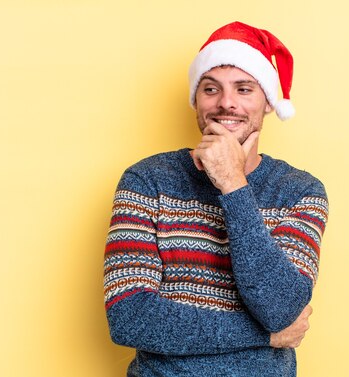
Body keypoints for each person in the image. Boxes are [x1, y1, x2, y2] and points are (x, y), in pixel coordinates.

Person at [103, 21, 329, 376]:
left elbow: (281, 308)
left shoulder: (299, 191)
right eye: (211, 89)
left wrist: (233, 183)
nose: (226, 103)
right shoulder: (146, 180)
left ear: (268, 102)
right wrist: (266, 336)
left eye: (244, 89)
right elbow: (131, 318)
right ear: (196, 99)